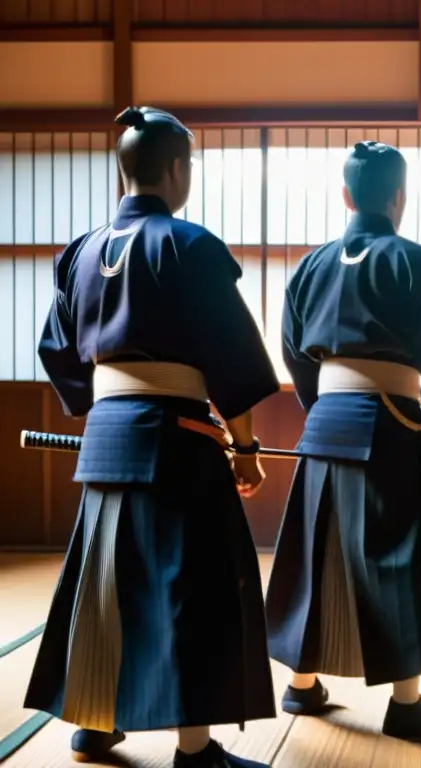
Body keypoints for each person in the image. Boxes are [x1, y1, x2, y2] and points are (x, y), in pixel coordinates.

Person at [23, 107, 280, 767]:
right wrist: (245, 449)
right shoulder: (188, 245)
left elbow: (57, 350)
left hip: (110, 437)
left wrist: (103, 406)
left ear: (123, 168)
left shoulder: (79, 251)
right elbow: (233, 356)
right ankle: (195, 751)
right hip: (177, 441)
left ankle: (94, 721)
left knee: (108, 583)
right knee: (189, 586)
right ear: (176, 169)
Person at [262, 140, 421, 746]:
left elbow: (293, 353)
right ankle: (406, 704)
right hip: (392, 425)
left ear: (345, 195)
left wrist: (325, 411)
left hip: (327, 423)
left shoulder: (310, 266)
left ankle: (302, 685)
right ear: (400, 196)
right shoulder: (418, 265)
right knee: (400, 555)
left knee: (317, 551)